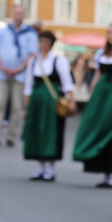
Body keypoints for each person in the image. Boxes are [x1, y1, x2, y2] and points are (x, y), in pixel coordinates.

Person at [71, 23, 112, 188]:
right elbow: (96, 77)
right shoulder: (101, 53)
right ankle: (105, 172)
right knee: (98, 132)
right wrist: (91, 96)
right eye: (110, 33)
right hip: (102, 97)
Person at [22, 30, 74, 181]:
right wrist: (25, 107)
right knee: (37, 132)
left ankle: (51, 168)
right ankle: (41, 167)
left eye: (46, 42)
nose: (42, 45)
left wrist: (72, 101)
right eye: (41, 42)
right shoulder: (33, 61)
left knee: (51, 133)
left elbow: (66, 83)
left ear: (51, 44)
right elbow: (28, 85)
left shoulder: (59, 60)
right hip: (37, 103)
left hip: (51, 103)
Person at [0, 6, 39, 147]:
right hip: (1, 73)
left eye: (21, 14)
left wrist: (19, 68)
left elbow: (33, 54)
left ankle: (11, 136)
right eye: (16, 13)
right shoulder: (2, 32)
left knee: (16, 106)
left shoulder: (30, 33)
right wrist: (1, 66)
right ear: (11, 14)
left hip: (20, 75)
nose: (18, 16)